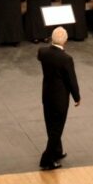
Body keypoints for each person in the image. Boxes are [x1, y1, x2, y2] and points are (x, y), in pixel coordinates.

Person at [38, 26, 80, 171]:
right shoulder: (66, 59)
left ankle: (57, 151)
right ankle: (47, 160)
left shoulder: (42, 52)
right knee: (56, 130)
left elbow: (42, 57)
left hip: (47, 95)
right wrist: (77, 97)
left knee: (51, 125)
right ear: (65, 41)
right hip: (60, 99)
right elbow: (71, 80)